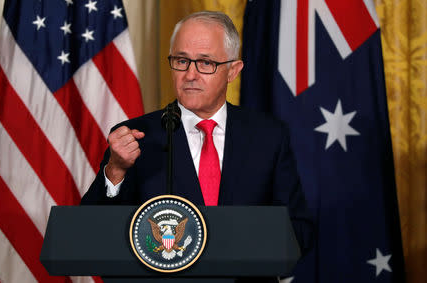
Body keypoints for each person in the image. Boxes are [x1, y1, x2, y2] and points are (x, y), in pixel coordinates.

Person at [81, 10, 313, 269]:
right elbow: (89, 231)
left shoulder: (268, 136)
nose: (190, 75)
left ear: (232, 71)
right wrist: (115, 170)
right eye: (181, 60)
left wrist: (248, 243)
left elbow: (299, 231)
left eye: (205, 63)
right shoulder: (136, 136)